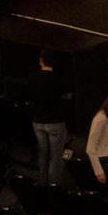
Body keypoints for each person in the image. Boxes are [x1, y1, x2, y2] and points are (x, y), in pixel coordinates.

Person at [28, 51, 71, 185]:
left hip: (37, 121)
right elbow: (68, 96)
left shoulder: (32, 77)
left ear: (41, 61)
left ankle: (42, 182)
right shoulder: (58, 79)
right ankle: (53, 186)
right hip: (55, 121)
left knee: (43, 153)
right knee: (55, 156)